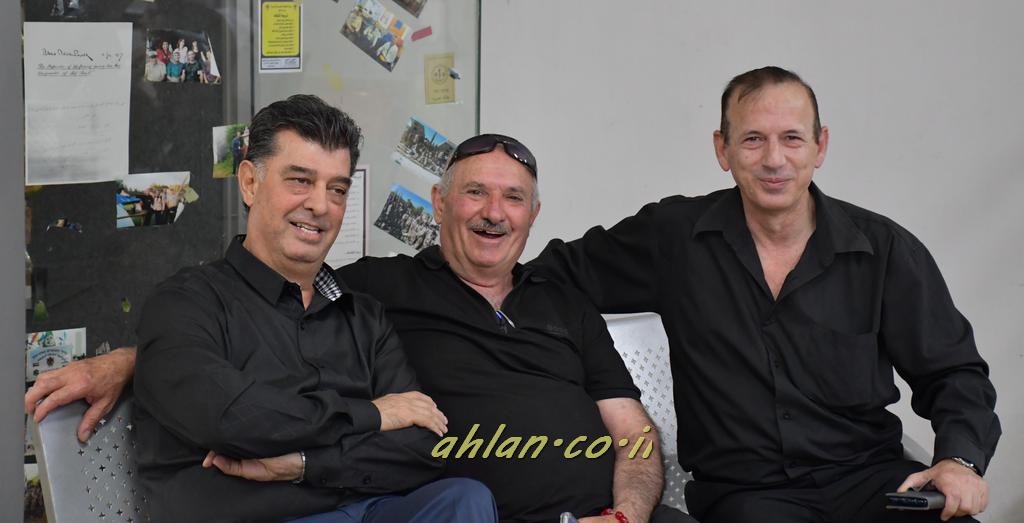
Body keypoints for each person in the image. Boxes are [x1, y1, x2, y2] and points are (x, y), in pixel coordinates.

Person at [26, 129, 692, 523]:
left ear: (533, 213)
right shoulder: (381, 288)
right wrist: (130, 359)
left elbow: (634, 434)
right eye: (475, 193)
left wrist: (625, 514)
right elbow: (267, 305)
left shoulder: (566, 302)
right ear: (439, 204)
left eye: (513, 197)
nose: (494, 213)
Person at [534, 67, 1000, 523]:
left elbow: (953, 372)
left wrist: (960, 461)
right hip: (748, 495)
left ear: (820, 146)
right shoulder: (673, 238)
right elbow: (545, 276)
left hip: (870, 481)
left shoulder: (883, 250)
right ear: (723, 149)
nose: (774, 159)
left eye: (792, 138)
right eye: (753, 139)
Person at [136, 95, 497, 522]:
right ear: (249, 182)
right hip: (254, 517)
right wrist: (372, 414)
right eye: (300, 181)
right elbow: (231, 419)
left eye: (337, 189)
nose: (320, 205)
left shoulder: (364, 317)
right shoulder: (185, 303)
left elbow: (422, 447)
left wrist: (307, 464)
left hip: (365, 510)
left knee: (463, 499)